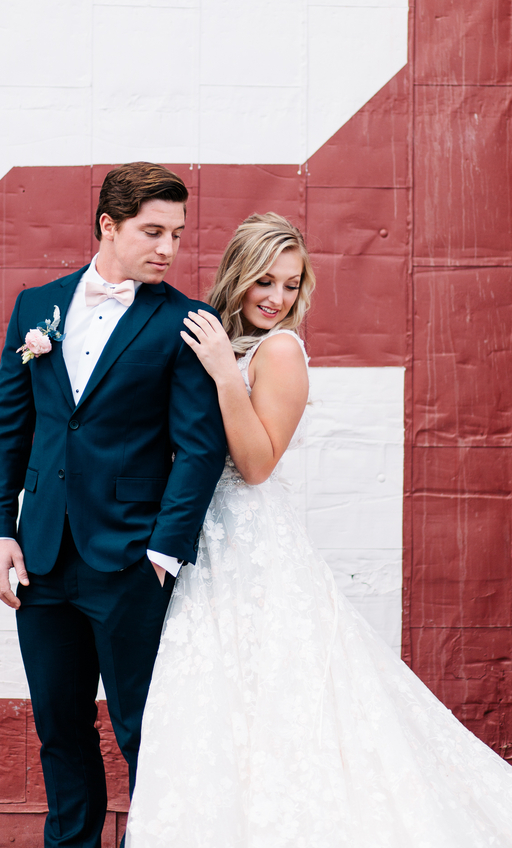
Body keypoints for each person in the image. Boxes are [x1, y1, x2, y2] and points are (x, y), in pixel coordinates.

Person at [126, 212, 512, 848]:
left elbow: (257, 464)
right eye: (265, 281)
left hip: (252, 547)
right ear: (239, 275)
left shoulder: (278, 351)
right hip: (200, 542)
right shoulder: (217, 336)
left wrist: (223, 374)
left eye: (291, 284)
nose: (277, 298)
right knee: (214, 700)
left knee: (278, 698)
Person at [0, 162, 226, 848]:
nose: (169, 248)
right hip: (42, 556)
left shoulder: (185, 321)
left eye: (177, 234)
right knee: (59, 727)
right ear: (108, 226)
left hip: (131, 561)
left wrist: (162, 554)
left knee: (143, 729)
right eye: (153, 231)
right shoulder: (37, 307)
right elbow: (8, 426)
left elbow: (199, 449)